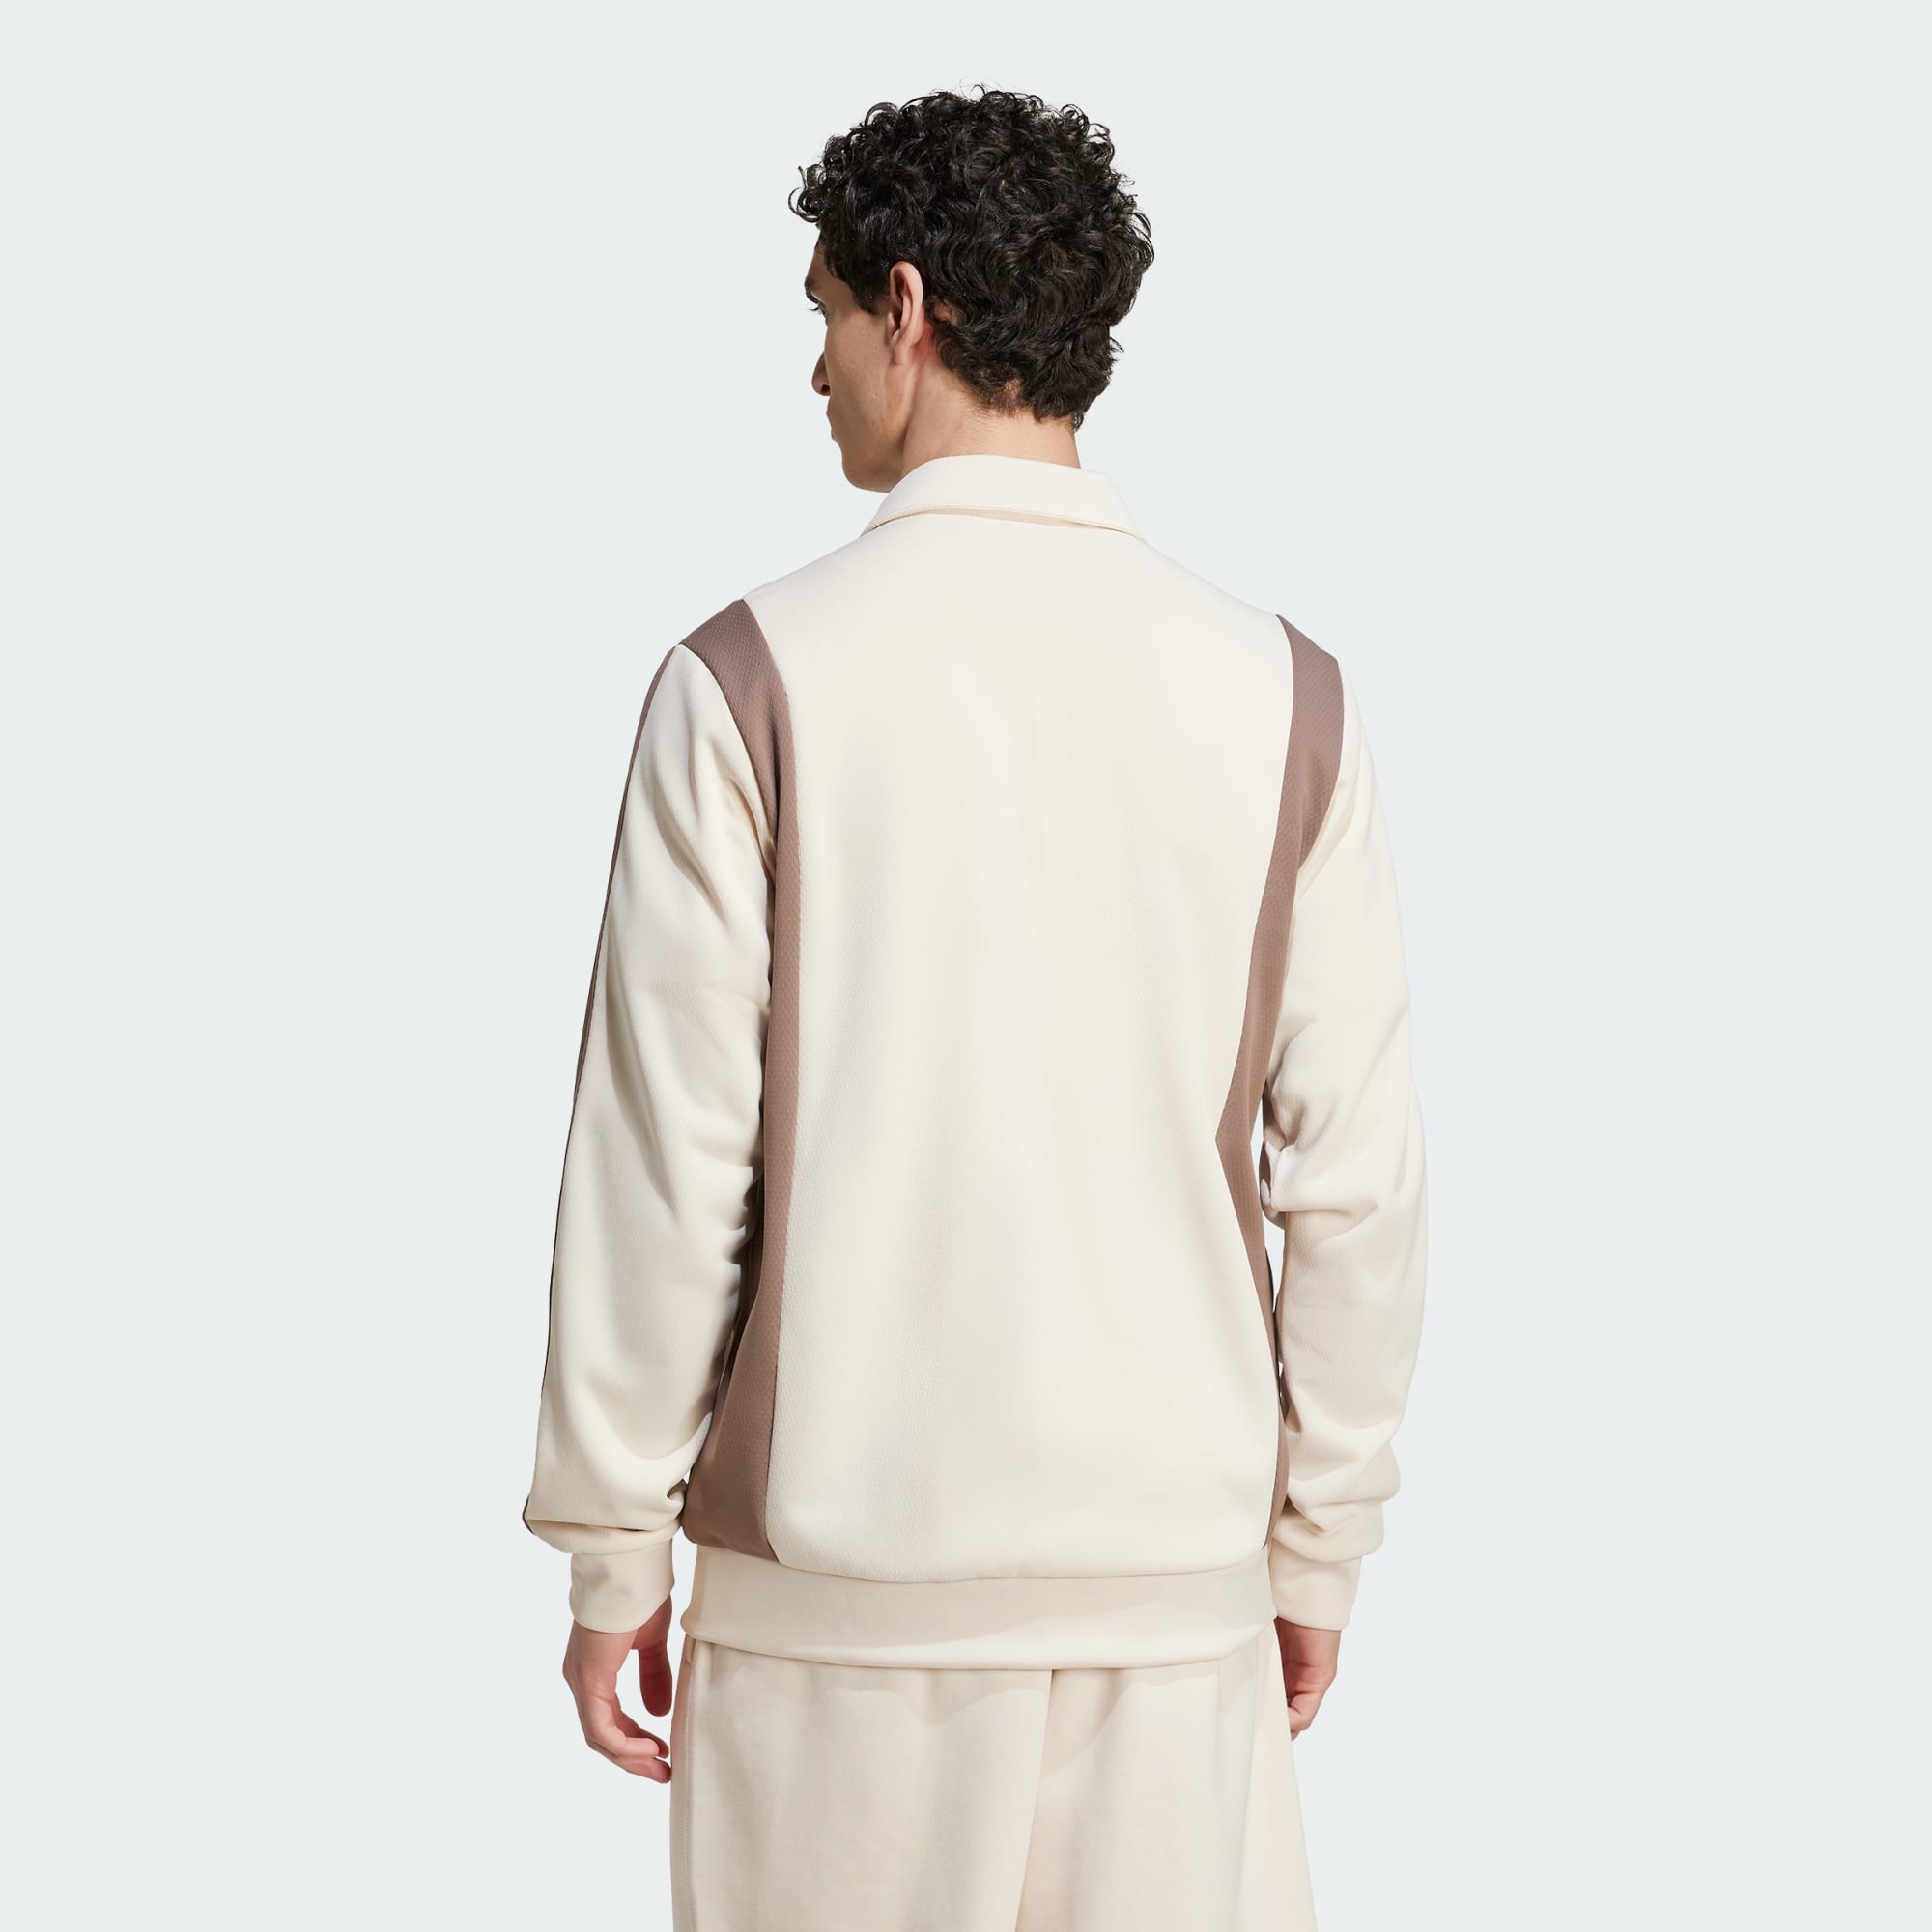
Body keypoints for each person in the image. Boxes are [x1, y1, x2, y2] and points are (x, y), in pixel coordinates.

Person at [523, 84, 1427, 1931]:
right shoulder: (1286, 693)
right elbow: (1358, 1184)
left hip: (833, 1628)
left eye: (824, 314)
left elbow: (665, 1165)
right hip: (1174, 1619)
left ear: (908, 307)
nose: (816, 371)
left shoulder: (748, 680)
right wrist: (1319, 1545)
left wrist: (610, 1546)